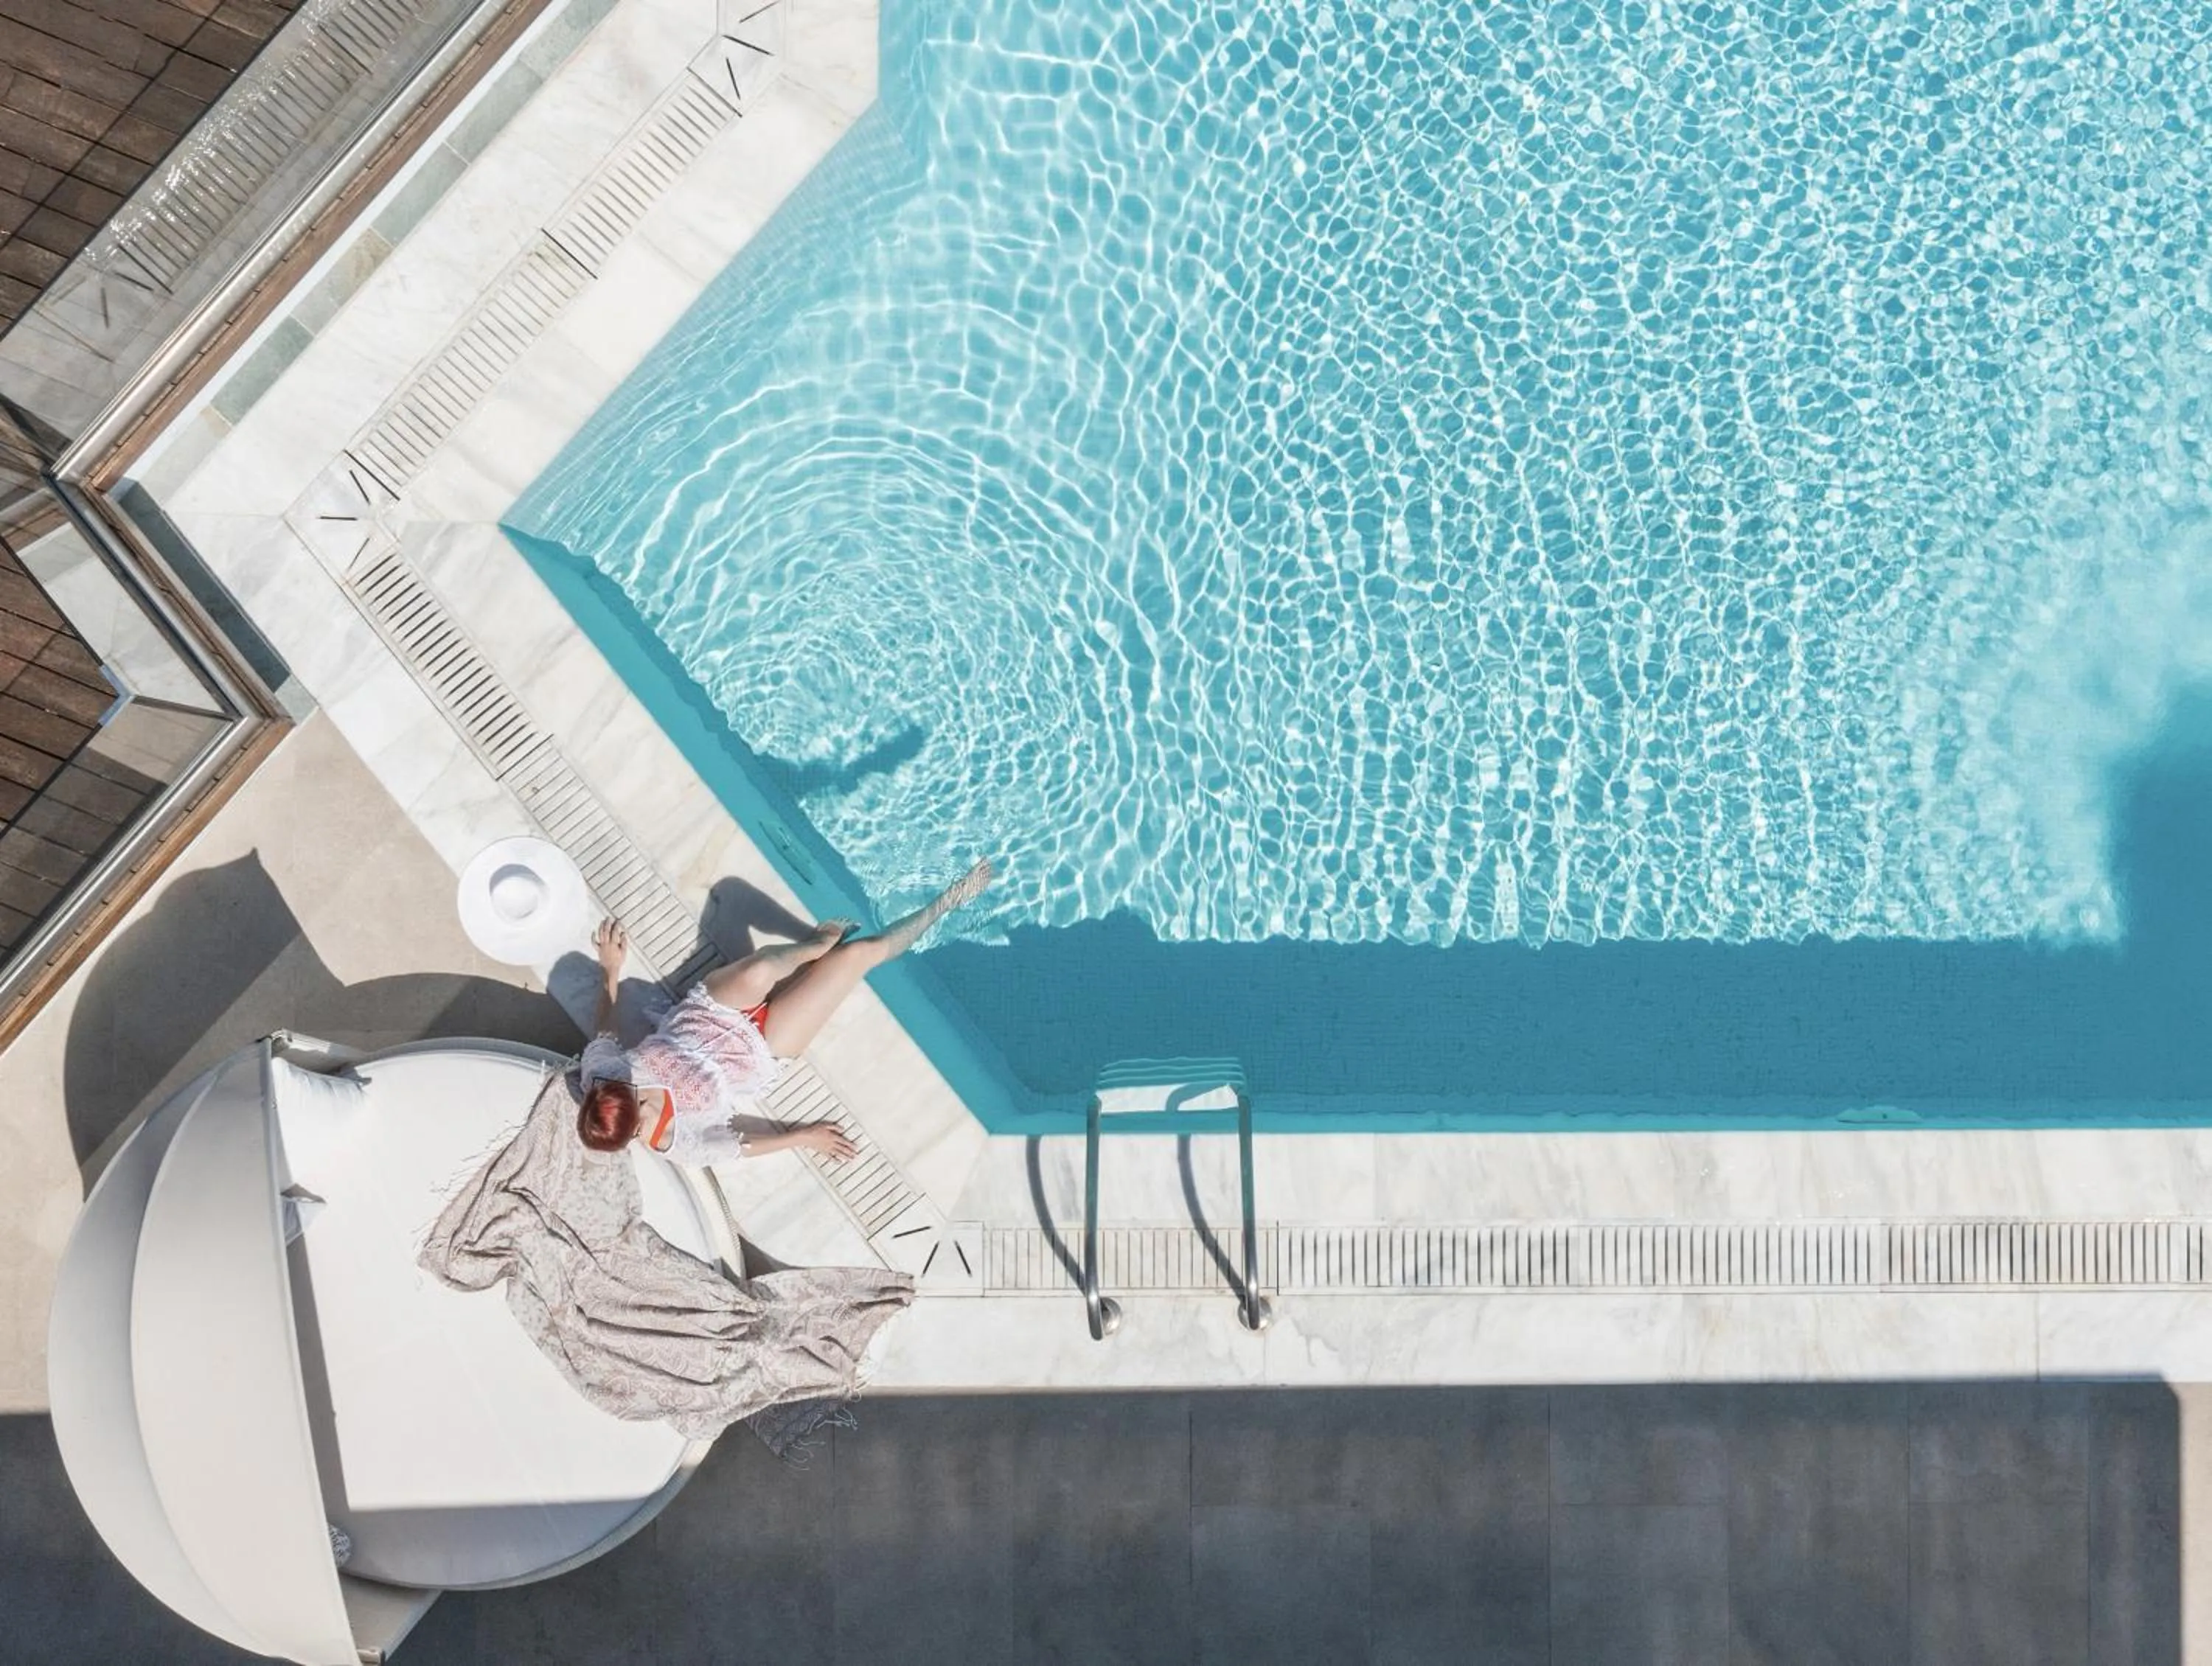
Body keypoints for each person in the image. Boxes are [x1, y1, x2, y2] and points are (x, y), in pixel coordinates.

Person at [574, 860, 994, 1164]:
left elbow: (605, 1034)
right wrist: (803, 1137)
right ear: (633, 1131)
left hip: (709, 1013)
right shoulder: (676, 1142)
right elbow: (740, 1145)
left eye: (623, 1088)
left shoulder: (603, 1076)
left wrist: (610, 969)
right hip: (760, 1049)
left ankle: (813, 946)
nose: (632, 1087)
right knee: (860, 954)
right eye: (633, 1100)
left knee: (759, 969)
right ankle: (951, 900)